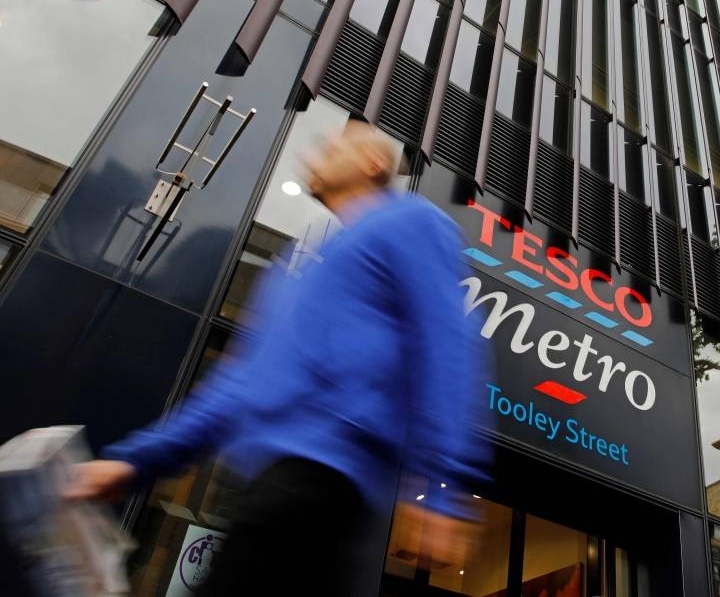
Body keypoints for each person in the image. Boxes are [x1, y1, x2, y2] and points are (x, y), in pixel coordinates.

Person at [65, 120, 492, 595]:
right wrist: (136, 461)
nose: (316, 155)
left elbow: (446, 345)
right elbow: (240, 384)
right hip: (257, 486)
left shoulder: (410, 222)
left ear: (373, 163)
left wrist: (441, 487)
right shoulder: (294, 266)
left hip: (322, 485)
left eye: (335, 147)